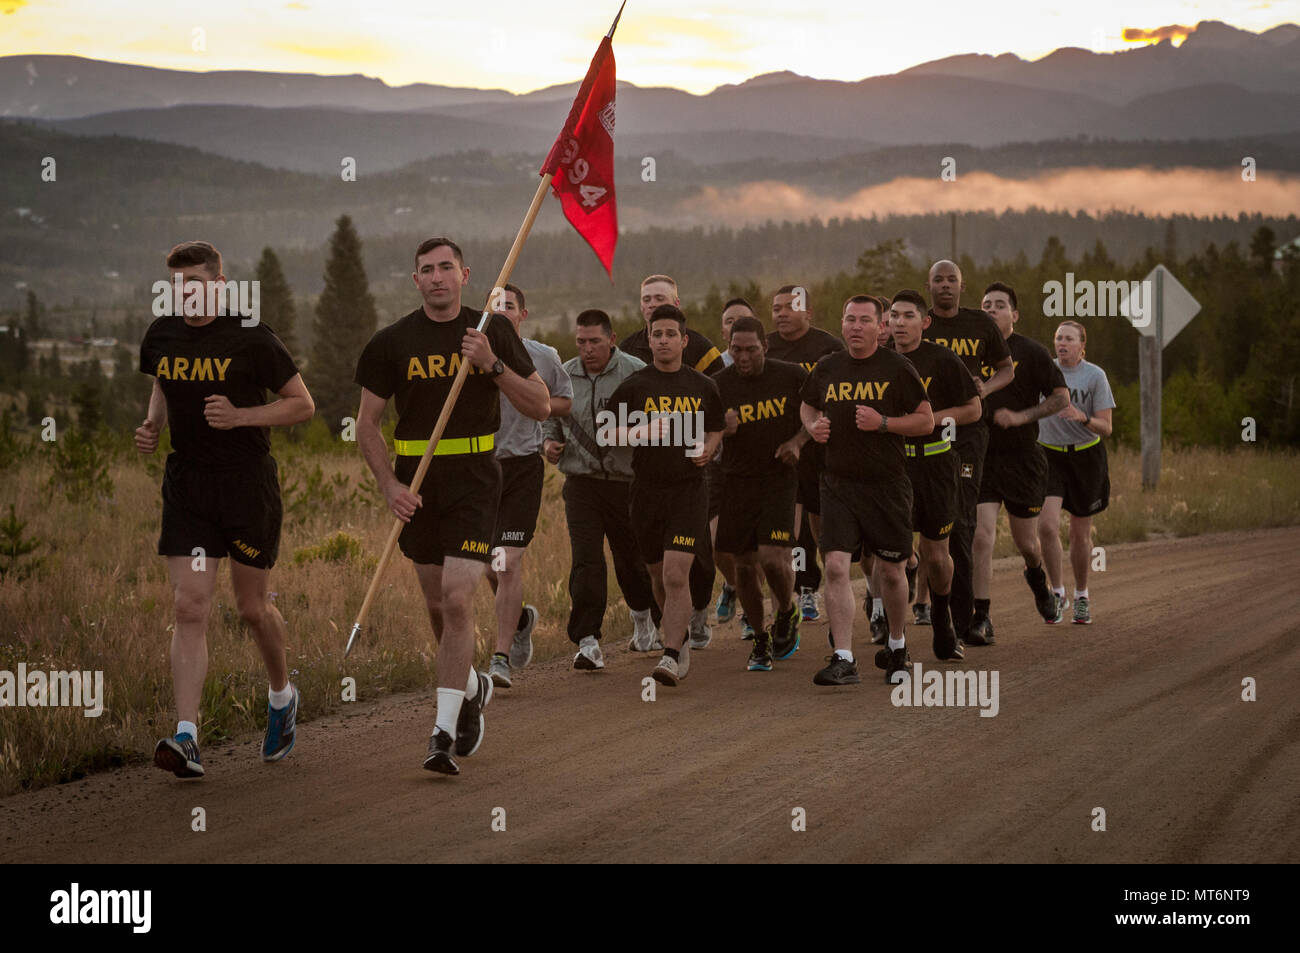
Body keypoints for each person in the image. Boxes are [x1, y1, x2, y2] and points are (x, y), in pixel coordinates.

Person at [354, 237, 549, 776]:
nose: (437, 277)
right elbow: (365, 425)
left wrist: (491, 366)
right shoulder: (391, 342)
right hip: (417, 482)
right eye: (426, 270)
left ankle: (442, 732)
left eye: (446, 268)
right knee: (437, 605)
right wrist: (390, 485)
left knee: (458, 598)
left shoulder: (491, 330)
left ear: (465, 275)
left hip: (475, 477)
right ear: (414, 280)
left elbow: (536, 405)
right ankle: (469, 685)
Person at [137, 240, 315, 779]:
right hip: (188, 484)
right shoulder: (161, 333)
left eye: (192, 283)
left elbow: (302, 405)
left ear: (219, 282)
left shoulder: (251, 336)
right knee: (190, 606)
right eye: (174, 284)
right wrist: (153, 425)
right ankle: (187, 737)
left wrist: (241, 417)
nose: (182, 292)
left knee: (251, 609)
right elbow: (163, 384)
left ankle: (282, 696)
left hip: (246, 485)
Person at [799, 295, 933, 686]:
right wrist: (812, 426)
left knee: (892, 572)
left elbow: (925, 422)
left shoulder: (898, 368)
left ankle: (897, 647)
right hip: (838, 484)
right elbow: (807, 406)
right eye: (850, 319)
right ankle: (843, 657)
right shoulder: (827, 368)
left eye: (865, 320)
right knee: (837, 566)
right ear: (841, 324)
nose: (856, 327)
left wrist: (884, 422)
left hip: (886, 485)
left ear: (882, 328)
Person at [607, 305, 724, 687]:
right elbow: (607, 434)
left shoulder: (703, 386)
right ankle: (681, 637)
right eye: (656, 334)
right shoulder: (635, 386)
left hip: (688, 491)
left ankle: (670, 654)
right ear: (649, 339)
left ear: (684, 340)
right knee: (657, 575)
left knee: (676, 573)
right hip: (646, 492)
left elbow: (717, 430)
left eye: (671, 334)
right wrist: (639, 434)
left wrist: (709, 449)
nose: (663, 340)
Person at [541, 309, 663, 665]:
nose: (587, 349)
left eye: (595, 341)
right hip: (581, 484)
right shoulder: (564, 374)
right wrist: (548, 444)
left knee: (632, 561)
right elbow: (551, 415)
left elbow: (658, 423)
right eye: (581, 341)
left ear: (611, 339)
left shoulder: (636, 373)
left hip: (627, 483)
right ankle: (587, 640)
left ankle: (643, 619)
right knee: (587, 560)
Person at [483, 284, 573, 686]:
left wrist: (535, 406)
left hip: (522, 465)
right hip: (479, 467)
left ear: (523, 313)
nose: (502, 312)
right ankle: (519, 619)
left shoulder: (544, 356)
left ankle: (499, 657)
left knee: (507, 561)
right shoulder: (472, 351)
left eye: (509, 307)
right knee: (481, 563)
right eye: (495, 307)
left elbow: (564, 400)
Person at [970, 283, 1069, 642]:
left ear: (1014, 314)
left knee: (1026, 542)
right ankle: (981, 617)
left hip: (1023, 458)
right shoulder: (971, 350)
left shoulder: (1032, 352)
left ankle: (1038, 578)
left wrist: (1022, 417)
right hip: (981, 457)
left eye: (999, 305)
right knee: (981, 536)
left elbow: (1060, 398)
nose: (991, 310)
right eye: (985, 305)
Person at [922, 260, 1014, 645]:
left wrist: (985, 389)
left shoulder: (980, 324)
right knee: (924, 524)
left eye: (952, 280)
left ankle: (966, 621)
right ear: (929, 286)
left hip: (968, 432)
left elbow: (1007, 369)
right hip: (923, 434)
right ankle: (897, 607)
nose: (945, 286)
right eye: (938, 280)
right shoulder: (920, 325)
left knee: (960, 522)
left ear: (962, 286)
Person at [888, 289, 982, 660]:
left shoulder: (942, 359)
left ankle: (942, 618)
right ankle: (897, 642)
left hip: (937, 463)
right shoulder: (879, 362)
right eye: (893, 315)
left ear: (924, 322)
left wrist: (930, 421)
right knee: (891, 553)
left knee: (937, 553)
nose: (899, 322)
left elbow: (974, 409)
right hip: (894, 466)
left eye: (908, 315)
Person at [713, 315, 808, 671]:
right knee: (743, 568)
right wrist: (723, 429)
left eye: (751, 349)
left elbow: (818, 414)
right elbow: (702, 433)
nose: (743, 356)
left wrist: (797, 442)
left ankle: (786, 609)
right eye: (736, 349)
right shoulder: (717, 385)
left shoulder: (792, 376)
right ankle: (760, 638)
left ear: (765, 347)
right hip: (736, 482)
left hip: (778, 479)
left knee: (772, 558)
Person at [766, 284, 845, 624]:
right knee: (792, 531)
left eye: (789, 307)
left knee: (820, 528)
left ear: (809, 313)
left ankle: (827, 584)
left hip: (822, 450)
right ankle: (804, 588)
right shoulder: (766, 347)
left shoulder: (829, 348)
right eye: (776, 308)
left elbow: (841, 397)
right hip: (782, 452)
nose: (781, 313)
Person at [1036, 320, 1115, 625]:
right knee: (1046, 525)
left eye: (1069, 339)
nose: (1062, 343)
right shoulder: (1043, 371)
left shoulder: (1095, 376)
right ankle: (1057, 593)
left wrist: (1083, 418)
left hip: (1085, 457)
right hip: (1049, 455)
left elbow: (1106, 427)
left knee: (1080, 535)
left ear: (1083, 346)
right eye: (1058, 338)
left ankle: (1082, 594)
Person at [710, 298, 755, 631]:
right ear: (723, 330)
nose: (735, 326)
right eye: (729, 321)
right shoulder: (712, 372)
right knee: (713, 542)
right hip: (716, 465)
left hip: (755, 469)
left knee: (751, 548)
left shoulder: (769, 366)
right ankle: (733, 585)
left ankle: (753, 613)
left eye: (742, 320)